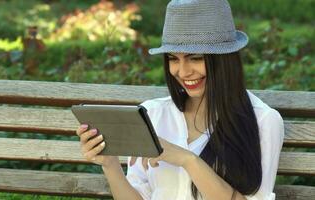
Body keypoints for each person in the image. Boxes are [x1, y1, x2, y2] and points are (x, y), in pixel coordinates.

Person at [76, 0, 285, 199]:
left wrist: (187, 159)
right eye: (173, 59)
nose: (183, 72)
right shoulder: (153, 114)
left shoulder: (263, 121)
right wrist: (110, 164)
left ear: (224, 60)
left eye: (195, 58)